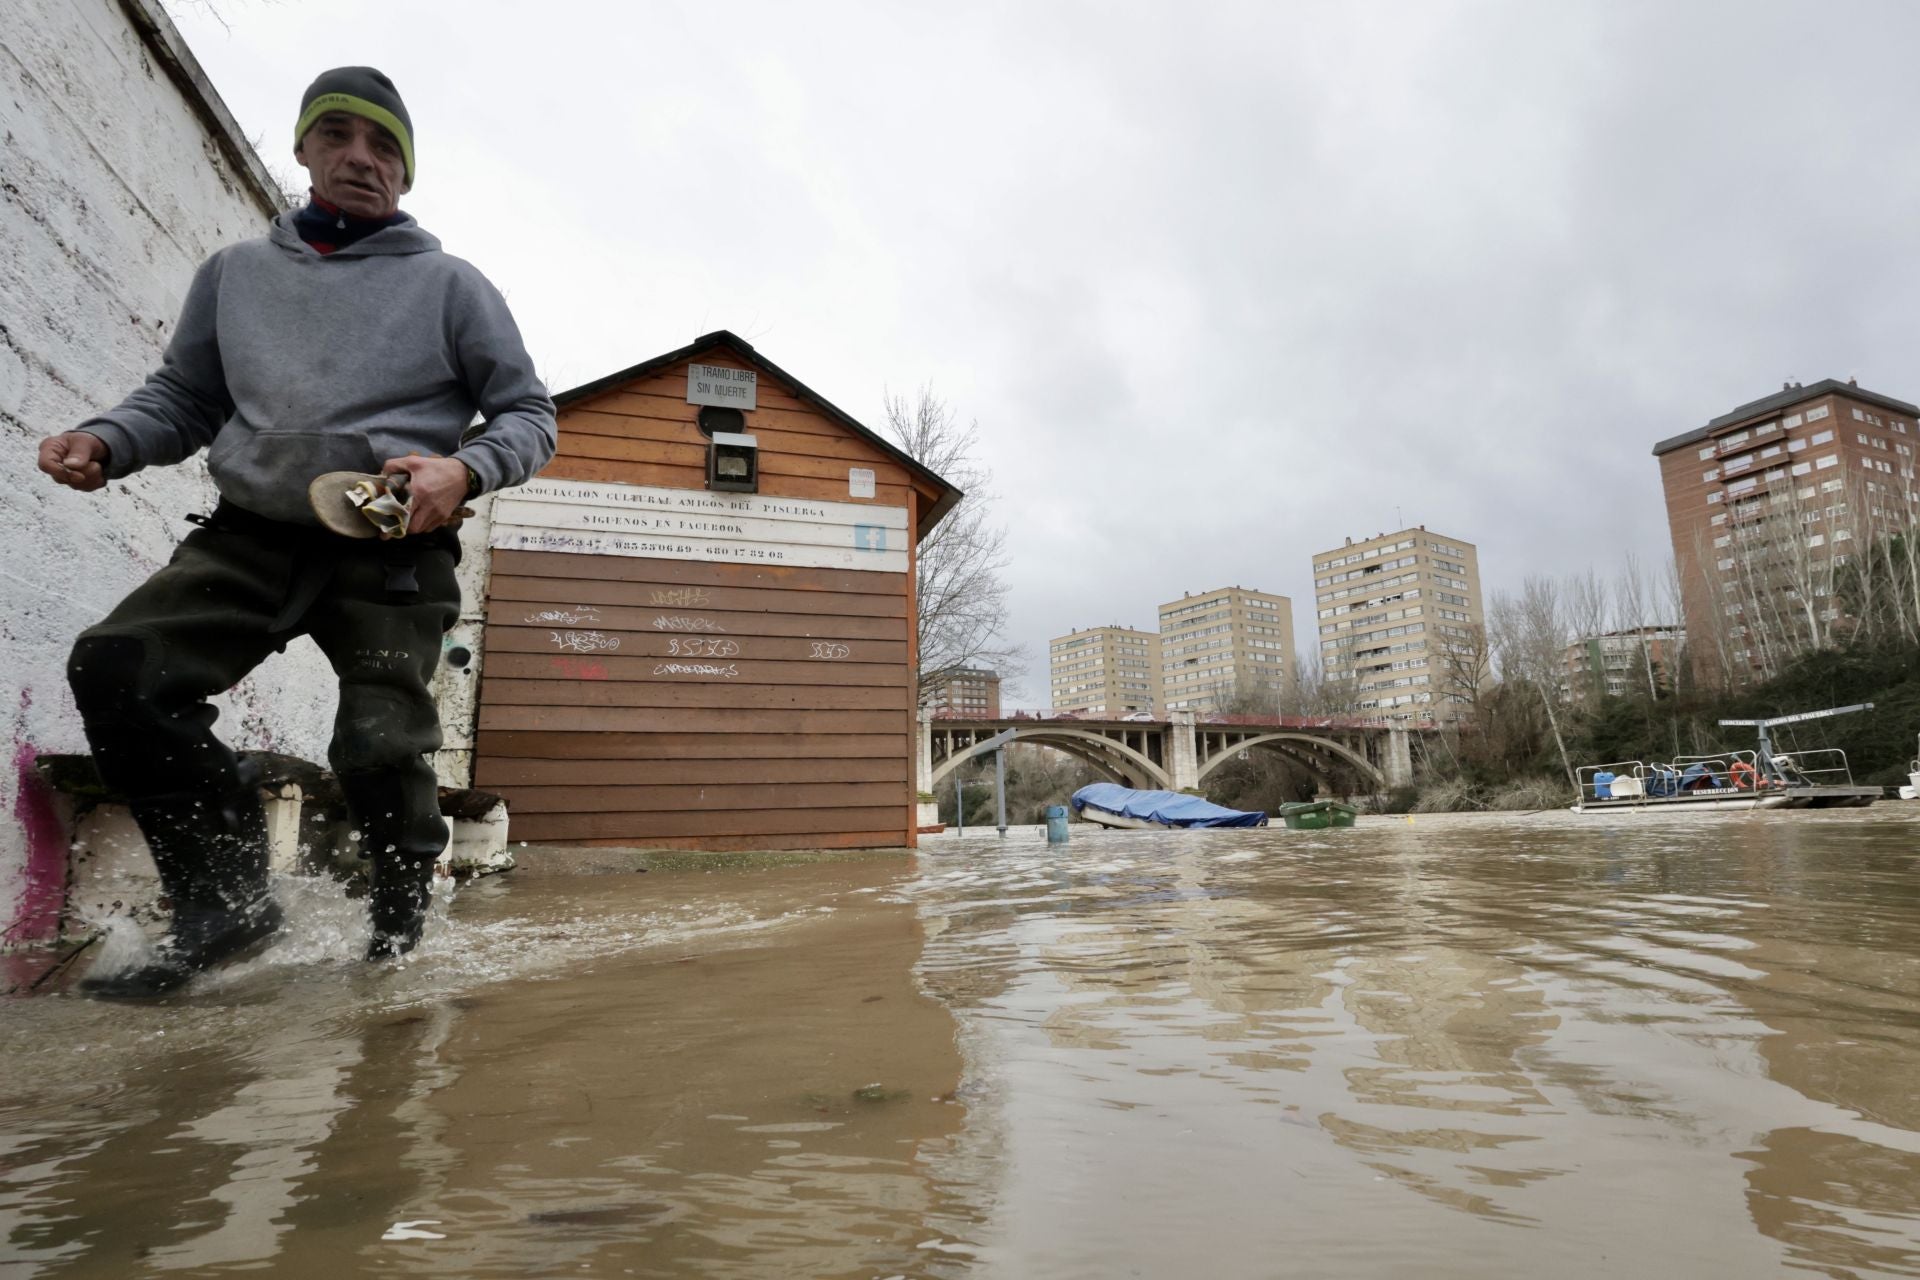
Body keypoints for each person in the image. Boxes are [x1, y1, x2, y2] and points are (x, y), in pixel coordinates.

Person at [38, 67, 556, 997]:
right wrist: (109, 439)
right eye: (339, 136)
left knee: (378, 743)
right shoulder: (237, 275)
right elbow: (187, 398)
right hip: (252, 532)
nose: (361, 157)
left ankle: (397, 944)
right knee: (118, 668)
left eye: (384, 144)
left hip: (393, 540)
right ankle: (226, 903)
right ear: (306, 149)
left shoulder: (451, 286)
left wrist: (463, 468)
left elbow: (528, 414)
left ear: (407, 169)